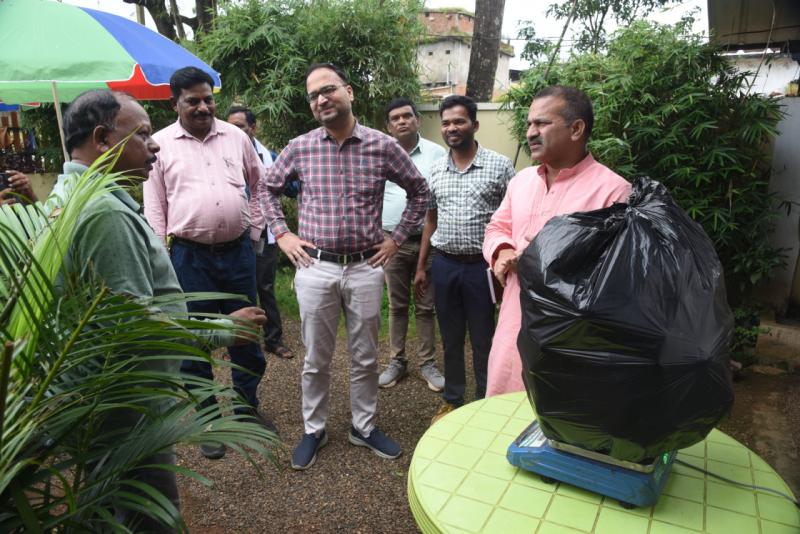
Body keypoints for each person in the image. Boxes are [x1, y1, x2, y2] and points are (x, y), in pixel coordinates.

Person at [56, 89, 266, 531]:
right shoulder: (105, 215)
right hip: (127, 399)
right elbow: (131, 324)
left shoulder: (68, 193)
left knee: (107, 504)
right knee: (149, 513)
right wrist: (221, 328)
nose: (154, 146)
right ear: (102, 139)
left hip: (98, 396)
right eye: (143, 134)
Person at [263, 63, 429, 470]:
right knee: (315, 358)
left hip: (365, 267)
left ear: (349, 91)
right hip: (315, 266)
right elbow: (266, 190)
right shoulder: (300, 147)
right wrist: (282, 234)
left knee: (366, 356)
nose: (321, 99)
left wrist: (396, 239)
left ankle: (364, 427)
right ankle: (314, 429)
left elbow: (420, 192)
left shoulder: (383, 146)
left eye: (328, 89)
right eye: (313, 95)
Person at [143, 66, 270, 460]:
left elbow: (259, 185)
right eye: (192, 101)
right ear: (174, 103)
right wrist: (162, 259)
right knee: (195, 341)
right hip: (189, 258)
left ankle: (246, 410)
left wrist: (254, 231)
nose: (203, 107)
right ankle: (209, 420)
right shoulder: (160, 144)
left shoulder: (236, 137)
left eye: (208, 99)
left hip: (238, 255)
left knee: (245, 334)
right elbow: (155, 205)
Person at [483, 85, 631, 396]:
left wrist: (539, 260)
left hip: (569, 335)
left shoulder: (614, 191)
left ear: (576, 129)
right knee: (503, 405)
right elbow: (497, 227)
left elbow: (614, 278)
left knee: (558, 409)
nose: (530, 133)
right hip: (513, 321)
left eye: (541, 123)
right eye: (529, 124)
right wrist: (503, 250)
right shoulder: (522, 181)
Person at [419, 95, 516, 424]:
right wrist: (422, 266)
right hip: (445, 265)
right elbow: (430, 219)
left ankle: (485, 400)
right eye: (446, 122)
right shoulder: (435, 169)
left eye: (459, 121)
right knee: (450, 338)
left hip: (482, 268)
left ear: (474, 124)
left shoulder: (500, 166)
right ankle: (453, 398)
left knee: (484, 338)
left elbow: (513, 217)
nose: (451, 128)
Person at [378, 98, 447, 391]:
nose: (402, 121)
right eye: (395, 118)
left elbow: (441, 196)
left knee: (426, 307)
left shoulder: (437, 154)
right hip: (391, 242)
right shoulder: (380, 152)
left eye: (407, 116)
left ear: (417, 120)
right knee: (397, 306)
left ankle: (428, 364)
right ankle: (397, 362)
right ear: (388, 126)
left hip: (427, 242)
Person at [226, 105, 294, 360]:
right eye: (229, 126)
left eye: (239, 126)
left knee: (265, 286)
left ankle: (274, 340)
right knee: (237, 287)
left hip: (264, 232)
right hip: (234, 233)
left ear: (252, 128)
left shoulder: (270, 156)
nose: (234, 131)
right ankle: (239, 341)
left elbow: (292, 188)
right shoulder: (223, 154)